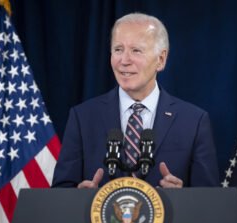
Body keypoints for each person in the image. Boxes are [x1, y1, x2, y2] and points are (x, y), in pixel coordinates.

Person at [52, 13, 219, 189]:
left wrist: (181, 198)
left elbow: (208, 201)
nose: (124, 60)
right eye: (118, 49)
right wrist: (80, 198)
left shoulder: (194, 121)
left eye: (136, 51)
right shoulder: (82, 117)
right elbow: (61, 191)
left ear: (160, 60)